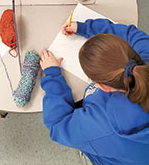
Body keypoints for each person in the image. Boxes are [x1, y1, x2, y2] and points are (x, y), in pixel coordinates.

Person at [40, 18, 149, 165]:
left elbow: (58, 124)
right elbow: (131, 34)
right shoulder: (144, 58)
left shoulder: (102, 124)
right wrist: (84, 28)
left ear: (102, 86)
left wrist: (52, 74)